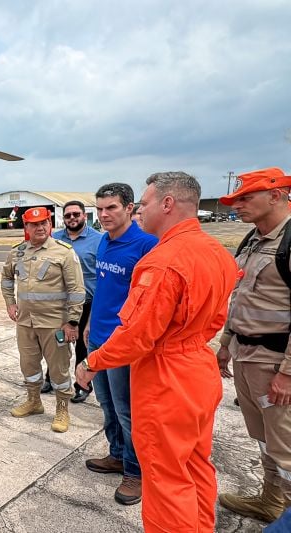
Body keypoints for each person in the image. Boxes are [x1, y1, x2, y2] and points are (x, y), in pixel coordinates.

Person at [77, 172, 237, 532]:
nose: (140, 212)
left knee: (165, 478)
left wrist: (92, 362)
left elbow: (137, 335)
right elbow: (218, 317)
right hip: (199, 368)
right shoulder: (217, 252)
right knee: (195, 465)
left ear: (167, 204)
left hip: (167, 377)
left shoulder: (161, 261)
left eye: (144, 204)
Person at [216, 167, 291, 523]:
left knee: (287, 447)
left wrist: (288, 374)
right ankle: (271, 501)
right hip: (247, 356)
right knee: (263, 438)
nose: (237, 206)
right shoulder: (252, 239)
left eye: (245, 198)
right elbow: (239, 298)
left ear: (275, 196)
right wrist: (225, 344)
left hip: (276, 363)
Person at [80, 183, 157, 505]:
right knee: (108, 406)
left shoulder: (146, 245)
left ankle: (136, 472)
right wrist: (87, 327)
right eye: (99, 209)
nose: (104, 215)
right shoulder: (105, 243)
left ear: (129, 208)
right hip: (98, 337)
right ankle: (116, 455)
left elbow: (147, 304)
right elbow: (103, 291)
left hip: (124, 344)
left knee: (128, 412)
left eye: (111, 207)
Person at [1, 207, 85, 432]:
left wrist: (73, 321)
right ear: (26, 227)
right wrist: (10, 302)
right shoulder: (17, 252)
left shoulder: (64, 252)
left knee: (58, 369)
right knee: (28, 365)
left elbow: (77, 290)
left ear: (50, 225)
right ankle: (34, 401)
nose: (39, 228)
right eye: (34, 224)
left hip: (54, 323)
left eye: (44, 223)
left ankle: (62, 408)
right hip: (25, 323)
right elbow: (7, 278)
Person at [45, 201, 103, 403]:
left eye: (75, 214)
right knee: (55, 343)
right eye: (67, 215)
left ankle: (82, 384)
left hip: (86, 303)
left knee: (82, 346)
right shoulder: (54, 239)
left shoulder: (99, 240)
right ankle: (51, 377)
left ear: (84, 215)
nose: (72, 218)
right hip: (59, 304)